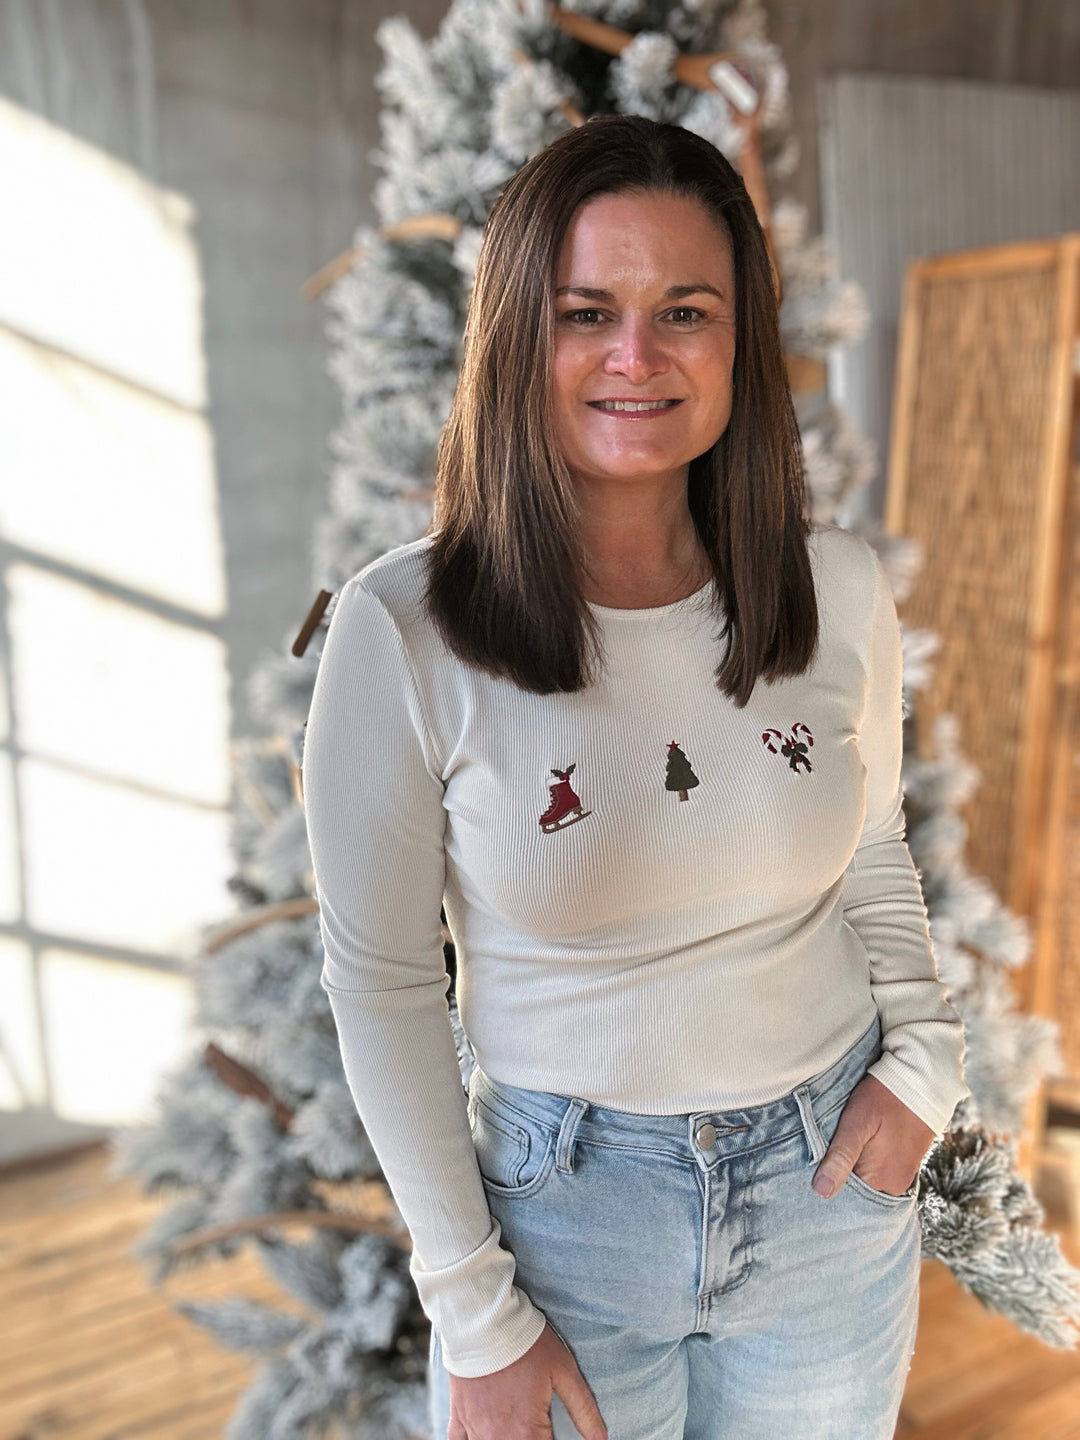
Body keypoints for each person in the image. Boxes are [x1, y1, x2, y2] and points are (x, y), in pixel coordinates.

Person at [301, 113, 968, 1440]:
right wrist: (474, 1308)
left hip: (832, 1201)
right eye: (586, 311)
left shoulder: (834, 591)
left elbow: (874, 847)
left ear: (740, 341)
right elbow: (380, 982)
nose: (635, 356)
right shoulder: (403, 632)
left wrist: (928, 1067)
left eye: (686, 311)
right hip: (561, 1233)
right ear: (514, 338)